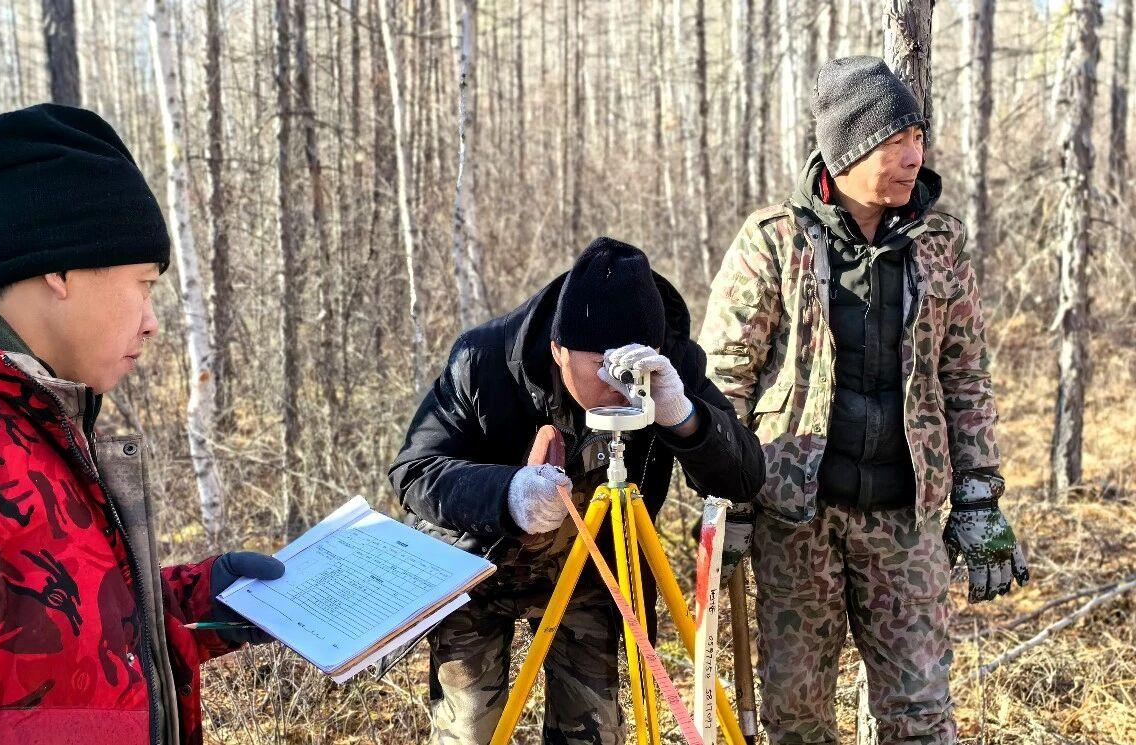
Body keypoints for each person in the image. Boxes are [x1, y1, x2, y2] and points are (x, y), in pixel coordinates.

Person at [0, 104, 282, 745]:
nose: (151, 322)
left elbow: (34, 631)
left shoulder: (26, 408)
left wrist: (199, 601)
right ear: (59, 272)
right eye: (143, 284)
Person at [701, 56, 1030, 744]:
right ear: (847, 151)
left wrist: (978, 492)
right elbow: (724, 379)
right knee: (796, 714)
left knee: (921, 712)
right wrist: (724, 500)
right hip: (796, 518)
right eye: (895, 142)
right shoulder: (774, 241)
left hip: (906, 519)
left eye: (918, 138)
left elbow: (965, 374)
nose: (914, 157)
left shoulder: (940, 243)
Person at [390, 237, 764, 744]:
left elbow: (744, 477)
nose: (619, 386)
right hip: (480, 568)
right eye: (601, 366)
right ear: (557, 350)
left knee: (590, 733)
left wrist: (686, 418)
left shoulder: (669, 364)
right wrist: (507, 493)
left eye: (629, 368)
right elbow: (415, 471)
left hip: (590, 571)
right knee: (469, 730)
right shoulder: (483, 360)